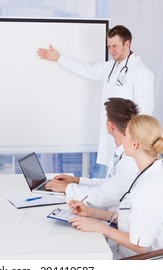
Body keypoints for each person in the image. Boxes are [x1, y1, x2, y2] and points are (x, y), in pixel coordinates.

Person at [37, 25, 154, 168]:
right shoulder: (111, 66)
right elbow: (86, 70)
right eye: (109, 46)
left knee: (125, 180)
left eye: (115, 46)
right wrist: (59, 59)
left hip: (129, 144)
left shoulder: (141, 73)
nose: (111, 50)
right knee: (112, 180)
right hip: (114, 138)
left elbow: (144, 114)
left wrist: (132, 142)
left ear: (127, 44)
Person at [68, 115, 163, 259]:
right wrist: (90, 212)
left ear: (135, 144)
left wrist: (98, 227)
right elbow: (129, 217)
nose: (122, 139)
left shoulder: (151, 187)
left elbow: (141, 247)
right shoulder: (146, 174)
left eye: (125, 135)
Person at [45, 97, 139, 210]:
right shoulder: (121, 152)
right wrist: (77, 181)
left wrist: (67, 188)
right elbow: (109, 185)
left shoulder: (129, 160)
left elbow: (103, 196)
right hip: (110, 213)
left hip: (116, 220)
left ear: (111, 125)